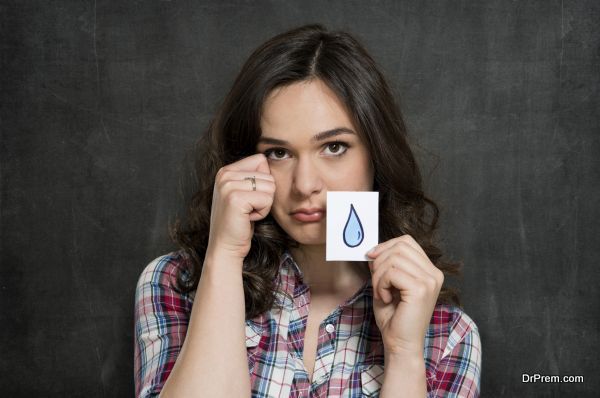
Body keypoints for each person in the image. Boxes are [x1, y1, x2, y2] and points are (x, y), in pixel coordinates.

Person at [134, 24, 481, 397]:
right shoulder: (176, 283)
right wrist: (226, 254)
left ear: (376, 154)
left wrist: (405, 354)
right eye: (278, 153)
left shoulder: (449, 336)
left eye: (333, 147)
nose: (304, 184)